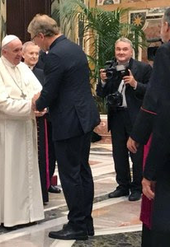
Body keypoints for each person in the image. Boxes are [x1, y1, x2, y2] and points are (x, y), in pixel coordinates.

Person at [28, 14, 100, 240]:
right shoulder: (73, 47)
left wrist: (37, 103)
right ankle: (85, 223)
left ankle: (77, 225)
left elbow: (50, 90)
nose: (36, 45)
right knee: (82, 172)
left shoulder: (55, 55)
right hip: (83, 118)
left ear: (41, 35)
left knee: (70, 175)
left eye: (34, 39)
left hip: (69, 122)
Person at [0, 35, 45, 228]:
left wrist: (41, 106)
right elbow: (2, 105)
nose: (20, 55)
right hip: (5, 130)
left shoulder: (23, 68)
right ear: (4, 52)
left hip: (24, 127)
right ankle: (6, 216)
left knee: (25, 173)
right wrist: (31, 107)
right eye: (16, 51)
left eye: (20, 50)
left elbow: (39, 93)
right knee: (7, 174)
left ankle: (27, 214)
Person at [127, 7, 170, 246]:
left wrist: (149, 172)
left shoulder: (166, 53)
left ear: (166, 26)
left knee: (161, 215)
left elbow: (159, 106)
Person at [96, 37, 152, 201]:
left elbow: (151, 91)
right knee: (118, 154)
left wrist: (135, 84)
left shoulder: (143, 68)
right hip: (117, 116)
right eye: (118, 49)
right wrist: (103, 81)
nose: (121, 52)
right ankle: (122, 185)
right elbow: (101, 94)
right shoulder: (110, 68)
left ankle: (136, 187)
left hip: (136, 117)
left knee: (137, 154)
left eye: (124, 49)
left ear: (131, 51)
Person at [22, 41, 59, 205]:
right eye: (31, 53)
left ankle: (44, 189)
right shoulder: (18, 72)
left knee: (46, 154)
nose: (34, 57)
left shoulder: (42, 73)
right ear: (23, 54)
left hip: (43, 121)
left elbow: (50, 95)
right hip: (24, 120)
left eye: (37, 54)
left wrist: (44, 109)